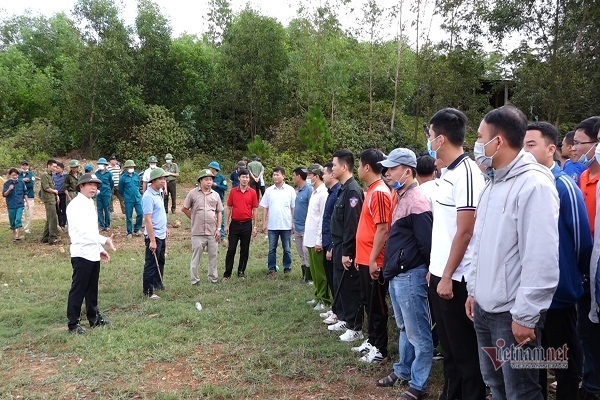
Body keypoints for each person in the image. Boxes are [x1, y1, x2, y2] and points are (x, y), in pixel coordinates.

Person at [465, 105, 560, 399]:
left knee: (522, 391)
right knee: (495, 384)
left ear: (499, 141)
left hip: (512, 315)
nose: (477, 144)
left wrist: (526, 316)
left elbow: (541, 255)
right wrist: (473, 288)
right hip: (484, 308)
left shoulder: (534, 184)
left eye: (480, 137)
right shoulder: (493, 183)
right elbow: (480, 242)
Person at [524, 122, 592, 399]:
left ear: (552, 149)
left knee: (564, 361)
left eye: (532, 145)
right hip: (528, 295)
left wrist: (572, 277)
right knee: (534, 360)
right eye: (523, 145)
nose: (525, 152)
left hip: (559, 293)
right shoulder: (525, 184)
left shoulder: (563, 185)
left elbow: (581, 240)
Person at [426, 108, 487, 400]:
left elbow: (465, 231)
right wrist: (435, 268)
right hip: (440, 273)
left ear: (440, 138)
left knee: (465, 355)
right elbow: (445, 229)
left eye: (429, 135)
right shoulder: (447, 173)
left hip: (457, 278)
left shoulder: (468, 173)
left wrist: (447, 275)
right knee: (449, 351)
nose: (428, 141)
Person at [376, 148, 433, 400]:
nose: (386, 173)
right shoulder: (400, 196)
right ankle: (403, 369)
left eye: (392, 168)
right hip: (398, 275)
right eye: (386, 168)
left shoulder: (417, 200)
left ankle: (419, 383)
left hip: (410, 275)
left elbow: (426, 243)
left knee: (418, 332)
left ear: (407, 171)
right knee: (404, 327)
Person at [352, 148, 392, 362]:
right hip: (365, 258)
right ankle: (372, 340)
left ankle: (381, 349)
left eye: (359, 165)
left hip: (374, 260)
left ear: (367, 167)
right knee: (368, 302)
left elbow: (383, 229)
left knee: (377, 305)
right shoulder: (372, 190)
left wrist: (374, 259)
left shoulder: (380, 193)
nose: (358, 169)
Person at [66, 173, 116, 334]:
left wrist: (100, 250)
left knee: (92, 288)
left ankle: (94, 318)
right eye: (90, 184)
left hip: (92, 252)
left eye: (96, 185)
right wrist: (103, 240)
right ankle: (73, 323)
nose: (94, 188)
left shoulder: (89, 203)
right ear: (81, 186)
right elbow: (82, 232)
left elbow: (92, 230)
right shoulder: (75, 205)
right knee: (79, 289)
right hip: (81, 253)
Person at [574, 116, 600, 399]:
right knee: (586, 327)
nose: (575, 148)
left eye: (581, 143)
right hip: (585, 264)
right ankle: (589, 379)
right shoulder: (582, 177)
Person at [328, 150, 364, 340]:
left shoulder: (352, 191)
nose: (332, 168)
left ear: (344, 167)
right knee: (340, 284)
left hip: (347, 247)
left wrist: (347, 251)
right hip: (338, 244)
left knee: (350, 286)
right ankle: (344, 316)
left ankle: (355, 326)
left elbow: (352, 224)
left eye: (334, 165)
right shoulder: (343, 189)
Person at [182, 169, 223, 285]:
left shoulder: (215, 195)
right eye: (206, 179)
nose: (209, 182)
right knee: (196, 257)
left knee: (213, 256)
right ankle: (194, 280)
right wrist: (193, 218)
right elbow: (184, 208)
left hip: (212, 232)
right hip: (197, 232)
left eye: (210, 179)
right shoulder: (193, 193)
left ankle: (213, 279)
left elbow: (219, 212)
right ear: (200, 181)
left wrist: (219, 229)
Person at [222, 168, 259, 280]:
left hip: (247, 224)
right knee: (231, 249)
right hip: (235, 224)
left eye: (247, 177)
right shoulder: (233, 191)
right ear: (239, 178)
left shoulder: (252, 192)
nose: (245, 179)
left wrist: (255, 226)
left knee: (245, 249)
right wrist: (227, 224)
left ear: (249, 179)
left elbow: (255, 209)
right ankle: (227, 274)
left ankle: (241, 272)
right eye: (243, 177)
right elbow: (229, 207)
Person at [260, 167, 296, 276]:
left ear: (283, 176)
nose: (275, 176)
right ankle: (271, 268)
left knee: (287, 249)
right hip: (272, 225)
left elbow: (293, 207)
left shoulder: (290, 190)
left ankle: (287, 267)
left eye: (278, 174)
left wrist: (293, 223)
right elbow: (265, 207)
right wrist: (263, 223)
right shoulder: (269, 190)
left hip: (286, 224)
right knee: (272, 249)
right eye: (274, 174)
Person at [303, 164, 329, 310]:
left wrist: (319, 241)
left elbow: (323, 220)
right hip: (310, 237)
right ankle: (317, 295)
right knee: (313, 271)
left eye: (309, 175)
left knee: (320, 273)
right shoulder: (314, 192)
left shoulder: (323, 193)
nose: (307, 178)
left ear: (316, 176)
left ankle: (324, 299)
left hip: (317, 240)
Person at [142, 167, 170, 299]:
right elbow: (148, 220)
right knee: (151, 263)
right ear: (153, 180)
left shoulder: (158, 192)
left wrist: (165, 227)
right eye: (161, 179)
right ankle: (148, 291)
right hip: (154, 236)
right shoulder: (148, 196)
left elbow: (160, 213)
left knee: (161, 260)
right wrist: (152, 240)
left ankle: (158, 284)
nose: (163, 181)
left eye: (164, 179)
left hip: (161, 233)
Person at [321, 162, 341, 325]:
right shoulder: (331, 192)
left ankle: (339, 312)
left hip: (333, 244)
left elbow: (337, 223)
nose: (323, 176)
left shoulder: (338, 193)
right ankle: (336, 308)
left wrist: (332, 246)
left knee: (336, 281)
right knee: (331, 278)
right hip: (328, 242)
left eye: (325, 173)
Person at [292, 167, 313, 284]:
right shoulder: (298, 190)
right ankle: (304, 275)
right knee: (300, 253)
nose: (293, 178)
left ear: (299, 176)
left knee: (306, 253)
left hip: (306, 228)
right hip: (297, 227)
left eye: (294, 176)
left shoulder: (309, 190)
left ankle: (310, 277)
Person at [118, 160, 143, 238]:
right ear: (126, 168)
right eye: (129, 167)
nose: (131, 168)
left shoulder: (136, 176)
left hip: (137, 198)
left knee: (140, 213)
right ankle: (129, 232)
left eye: (132, 167)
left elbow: (138, 185)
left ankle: (137, 229)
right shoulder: (123, 178)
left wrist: (137, 194)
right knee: (129, 216)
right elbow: (120, 189)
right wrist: (125, 196)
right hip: (128, 199)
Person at [3, 168, 27, 241]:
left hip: (20, 204)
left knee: (18, 219)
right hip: (11, 205)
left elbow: (25, 193)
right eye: (13, 175)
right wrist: (9, 189)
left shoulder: (21, 182)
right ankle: (14, 234)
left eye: (16, 175)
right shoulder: (6, 183)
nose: (15, 176)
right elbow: (4, 194)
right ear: (10, 175)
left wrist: (27, 202)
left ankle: (17, 235)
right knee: (12, 221)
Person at [40, 159, 60, 245]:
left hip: (52, 198)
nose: (55, 168)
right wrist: (55, 192)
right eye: (54, 166)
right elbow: (46, 188)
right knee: (53, 218)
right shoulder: (45, 175)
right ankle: (52, 238)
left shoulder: (51, 175)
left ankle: (45, 237)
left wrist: (56, 196)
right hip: (48, 199)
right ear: (48, 166)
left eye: (56, 167)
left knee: (49, 219)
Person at [208, 161, 228, 240]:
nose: (209, 169)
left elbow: (225, 187)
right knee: (211, 217)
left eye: (210, 168)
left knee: (221, 217)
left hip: (219, 199)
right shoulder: (208, 177)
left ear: (214, 169)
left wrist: (217, 185)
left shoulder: (221, 178)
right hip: (209, 200)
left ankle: (222, 235)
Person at [95, 157, 114, 232]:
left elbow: (111, 184)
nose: (101, 165)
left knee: (106, 209)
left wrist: (108, 191)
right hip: (99, 193)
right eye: (99, 164)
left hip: (106, 193)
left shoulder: (109, 174)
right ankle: (101, 225)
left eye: (102, 164)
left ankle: (107, 225)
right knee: (99, 209)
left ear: (105, 165)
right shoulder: (96, 173)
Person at [18, 160, 35, 234]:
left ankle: (26, 228)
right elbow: (16, 184)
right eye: (23, 165)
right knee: (21, 214)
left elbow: (31, 185)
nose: (25, 167)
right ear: (21, 166)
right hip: (20, 197)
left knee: (29, 213)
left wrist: (21, 182)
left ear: (28, 166)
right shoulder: (18, 174)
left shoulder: (31, 174)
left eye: (26, 165)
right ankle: (20, 227)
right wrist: (23, 180)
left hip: (29, 196)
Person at [53, 162, 67, 230]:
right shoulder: (53, 175)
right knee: (57, 210)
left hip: (63, 195)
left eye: (57, 168)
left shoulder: (65, 176)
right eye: (55, 167)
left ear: (62, 169)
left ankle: (64, 224)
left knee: (64, 209)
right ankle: (59, 223)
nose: (56, 169)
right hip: (55, 195)